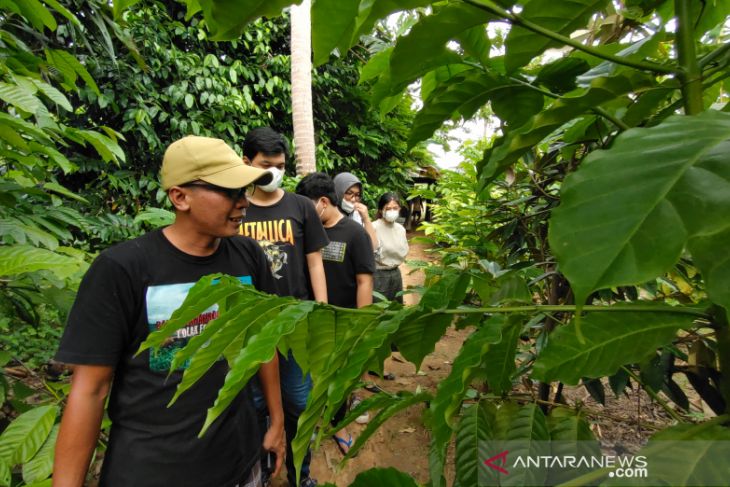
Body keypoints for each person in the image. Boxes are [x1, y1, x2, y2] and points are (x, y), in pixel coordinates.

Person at [52, 135, 286, 487]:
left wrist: (277, 419)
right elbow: (90, 390)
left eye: (246, 191)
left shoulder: (248, 256)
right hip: (153, 469)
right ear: (180, 196)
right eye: (230, 192)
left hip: (239, 460)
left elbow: (262, 341)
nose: (243, 204)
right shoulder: (122, 269)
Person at [240, 127, 328, 487]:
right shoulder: (236, 208)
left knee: (297, 402)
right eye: (266, 165)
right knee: (256, 405)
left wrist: (322, 309)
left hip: (296, 324)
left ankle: (300, 475)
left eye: (280, 165)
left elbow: (314, 263)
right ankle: (259, 473)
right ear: (246, 163)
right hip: (251, 328)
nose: (275, 172)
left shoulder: (301, 207)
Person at [295, 173, 376, 448]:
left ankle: (338, 429)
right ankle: (319, 421)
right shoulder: (306, 233)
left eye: (306, 207)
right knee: (314, 376)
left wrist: (361, 324)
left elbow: (365, 281)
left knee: (339, 380)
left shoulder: (355, 235)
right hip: (312, 320)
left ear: (322, 202)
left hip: (344, 321)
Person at [372, 192, 409, 304]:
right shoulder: (373, 227)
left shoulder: (400, 229)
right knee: (379, 310)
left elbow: (403, 251)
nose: (392, 211)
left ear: (399, 209)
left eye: (395, 208)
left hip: (396, 273)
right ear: (380, 210)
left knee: (396, 308)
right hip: (378, 275)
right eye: (388, 208)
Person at [333, 172, 378, 249]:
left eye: (357, 195)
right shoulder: (329, 214)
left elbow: (373, 246)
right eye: (349, 193)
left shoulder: (357, 215)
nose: (353, 199)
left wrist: (366, 219)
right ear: (338, 192)